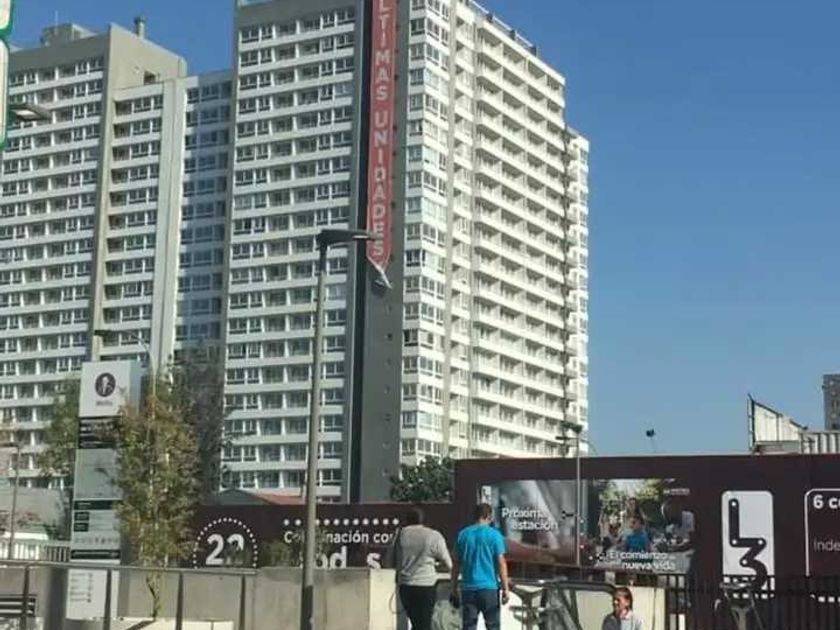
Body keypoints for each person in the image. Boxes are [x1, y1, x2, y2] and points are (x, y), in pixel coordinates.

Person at [390, 507, 452, 630]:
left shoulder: (400, 534)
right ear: (423, 519)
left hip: (405, 586)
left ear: (407, 520)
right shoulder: (433, 535)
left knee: (416, 622)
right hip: (426, 585)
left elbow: (389, 559)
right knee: (424, 623)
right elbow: (448, 563)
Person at [450, 504, 510, 630]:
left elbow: (455, 565)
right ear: (488, 516)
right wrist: (505, 589)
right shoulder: (494, 535)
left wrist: (453, 589)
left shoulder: (463, 535)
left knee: (469, 626)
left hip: (468, 588)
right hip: (489, 588)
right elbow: (501, 563)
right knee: (493, 626)